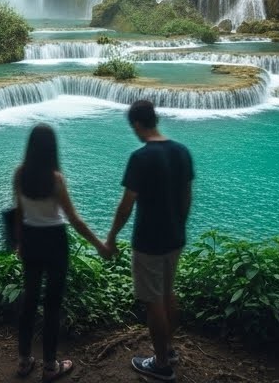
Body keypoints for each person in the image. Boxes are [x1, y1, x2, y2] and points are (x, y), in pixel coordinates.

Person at [105, 100, 193, 382]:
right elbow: (186, 196)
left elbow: (126, 205)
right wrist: (179, 225)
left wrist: (111, 237)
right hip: (175, 237)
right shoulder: (182, 151)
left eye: (133, 127)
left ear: (137, 124)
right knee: (168, 294)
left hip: (148, 241)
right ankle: (169, 349)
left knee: (153, 301)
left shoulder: (140, 158)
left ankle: (161, 365)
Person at [12, 123, 109, 381]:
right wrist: (99, 244)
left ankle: (23, 362)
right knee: (52, 305)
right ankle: (50, 366)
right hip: (55, 241)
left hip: (30, 239)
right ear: (51, 149)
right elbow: (74, 219)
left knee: (29, 300)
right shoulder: (55, 179)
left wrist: (19, 243)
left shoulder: (19, 174)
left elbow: (19, 211)